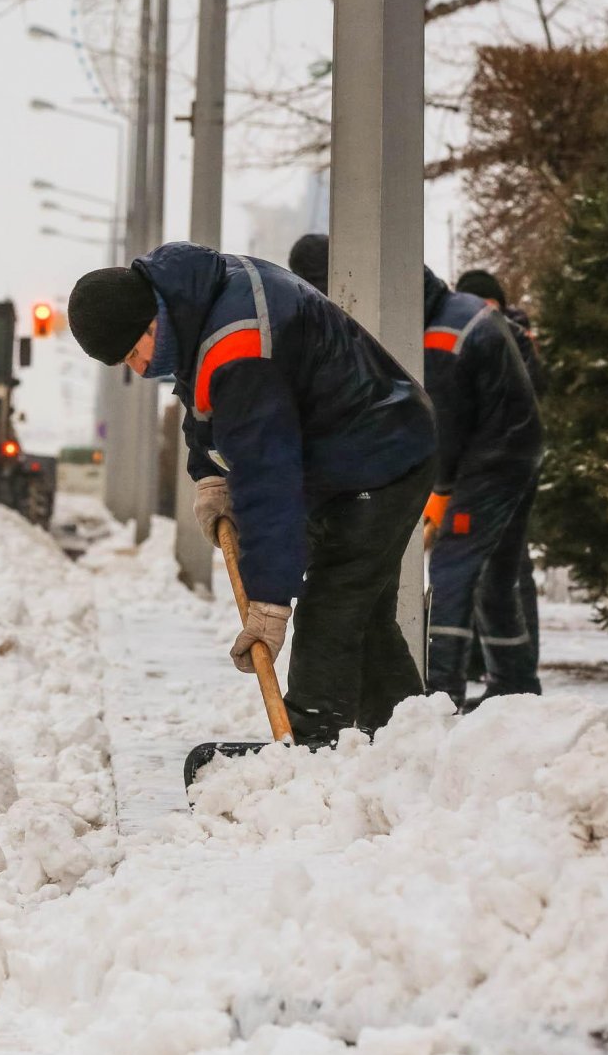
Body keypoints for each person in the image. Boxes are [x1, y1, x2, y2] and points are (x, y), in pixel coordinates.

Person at [67, 244, 437, 745]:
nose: (137, 368)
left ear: (152, 321)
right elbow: (200, 396)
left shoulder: (238, 348)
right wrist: (210, 474)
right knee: (362, 611)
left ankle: (312, 739)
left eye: (134, 353)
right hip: (346, 450)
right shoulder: (194, 298)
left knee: (334, 601)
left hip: (380, 452)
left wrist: (267, 602)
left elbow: (269, 479)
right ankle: (410, 738)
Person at [421, 266, 543, 708]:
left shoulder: (441, 339)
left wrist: (444, 487)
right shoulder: (462, 311)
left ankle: (440, 690)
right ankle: (515, 682)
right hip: (519, 451)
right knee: (499, 573)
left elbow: (448, 425)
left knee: (451, 564)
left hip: (490, 461)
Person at [452, 269, 545, 684]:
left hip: (502, 470)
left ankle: (514, 670)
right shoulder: (498, 335)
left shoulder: (510, 337)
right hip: (482, 467)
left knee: (508, 568)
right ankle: (489, 665)